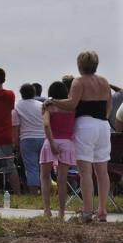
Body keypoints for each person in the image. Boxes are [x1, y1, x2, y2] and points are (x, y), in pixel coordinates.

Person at [46, 51, 113, 222]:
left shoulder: (79, 81)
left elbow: (72, 104)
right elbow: (109, 107)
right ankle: (103, 210)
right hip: (103, 125)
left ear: (80, 64)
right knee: (102, 171)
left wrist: (53, 101)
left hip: (85, 125)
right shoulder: (104, 82)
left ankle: (87, 211)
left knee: (85, 171)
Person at [39, 81, 75, 219]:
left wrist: (52, 143)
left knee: (45, 177)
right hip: (67, 144)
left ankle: (47, 210)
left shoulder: (49, 107)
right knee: (62, 180)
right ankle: (61, 212)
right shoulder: (72, 108)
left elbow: (47, 125)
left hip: (50, 142)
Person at [13, 83, 45, 194]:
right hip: (43, 138)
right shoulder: (41, 105)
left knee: (32, 168)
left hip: (27, 139)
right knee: (44, 168)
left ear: (21, 93)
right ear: (34, 93)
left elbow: (16, 126)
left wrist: (16, 143)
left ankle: (34, 193)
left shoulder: (17, 106)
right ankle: (45, 192)